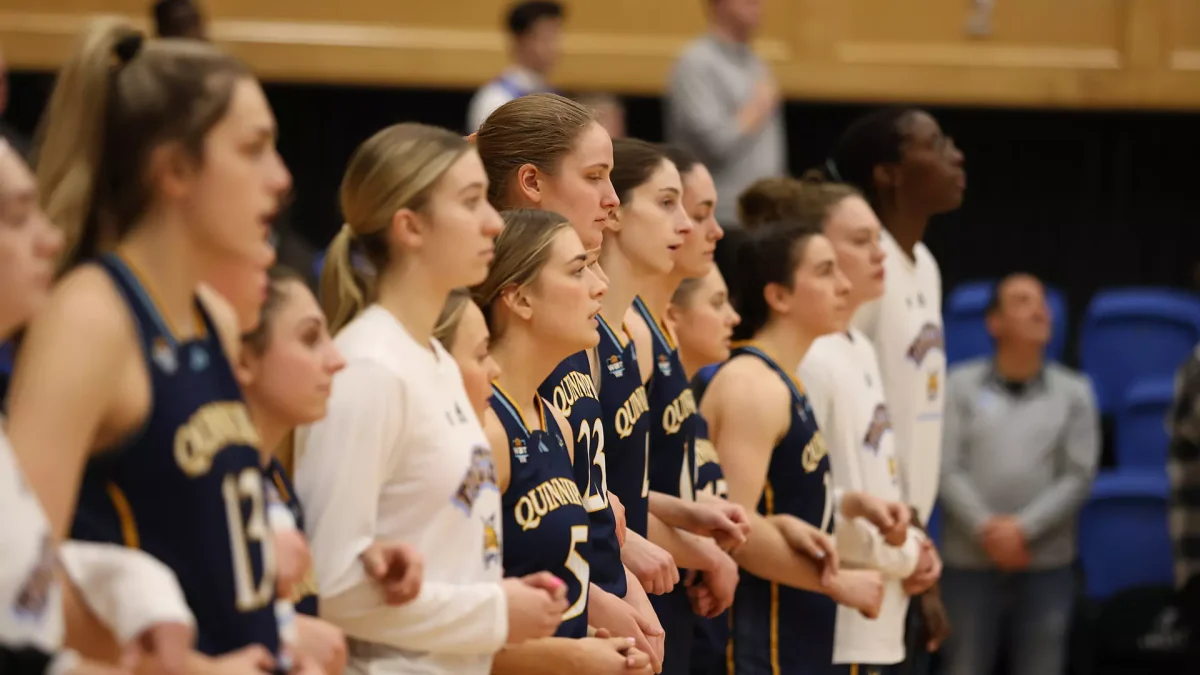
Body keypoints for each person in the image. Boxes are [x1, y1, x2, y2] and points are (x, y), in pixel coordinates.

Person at [11, 17, 291, 668]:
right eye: (253, 149)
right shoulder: (89, 318)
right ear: (175, 170)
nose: (280, 177)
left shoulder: (212, 317)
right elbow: (19, 574)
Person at [295, 122, 566, 675]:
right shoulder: (368, 368)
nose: (494, 220)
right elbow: (332, 587)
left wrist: (498, 591)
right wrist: (493, 612)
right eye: (471, 203)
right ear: (410, 227)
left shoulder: (438, 361)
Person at [477, 94, 668, 670]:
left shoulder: (581, 319)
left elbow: (589, 490)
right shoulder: (508, 328)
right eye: (595, 177)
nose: (612, 202)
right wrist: (593, 609)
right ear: (531, 182)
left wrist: (617, 568)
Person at [734, 177, 939, 675]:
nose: (879, 253)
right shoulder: (805, 363)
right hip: (827, 613)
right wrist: (907, 554)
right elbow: (772, 507)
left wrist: (904, 536)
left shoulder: (856, 347)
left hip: (875, 604)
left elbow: (848, 484)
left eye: (879, 239)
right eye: (860, 241)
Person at [699, 219, 888, 675]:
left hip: (797, 627)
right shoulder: (751, 385)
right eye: (825, 272)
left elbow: (775, 501)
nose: (843, 285)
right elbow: (735, 531)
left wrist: (848, 505)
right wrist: (838, 582)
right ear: (779, 295)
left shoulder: (784, 379)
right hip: (759, 638)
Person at [827, 107, 965, 672]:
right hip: (859, 536)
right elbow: (840, 415)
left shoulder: (923, 265)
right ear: (888, 172)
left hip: (906, 538)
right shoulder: (863, 266)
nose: (956, 155)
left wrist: (918, 553)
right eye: (935, 144)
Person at [938, 273, 1098, 675]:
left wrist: (1021, 530)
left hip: (1046, 564)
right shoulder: (958, 386)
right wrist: (987, 529)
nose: (1040, 310)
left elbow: (1079, 475)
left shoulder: (1075, 391)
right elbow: (944, 467)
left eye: (1043, 301)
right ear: (995, 322)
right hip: (969, 561)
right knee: (964, 667)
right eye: (1023, 301)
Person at [627, 144, 745, 675]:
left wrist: (702, 541)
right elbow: (606, 490)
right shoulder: (629, 332)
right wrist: (706, 554)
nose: (710, 230)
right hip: (639, 582)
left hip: (671, 580)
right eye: (694, 212)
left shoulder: (660, 331)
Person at [665, 0, 785, 243]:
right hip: (722, 218)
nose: (757, 4)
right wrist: (755, 109)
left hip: (763, 215)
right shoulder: (695, 64)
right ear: (717, 5)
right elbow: (714, 143)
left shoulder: (755, 62)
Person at [467, 1, 564, 132]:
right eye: (545, 38)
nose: (554, 47)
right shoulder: (496, 99)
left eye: (556, 37)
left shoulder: (552, 92)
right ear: (519, 41)